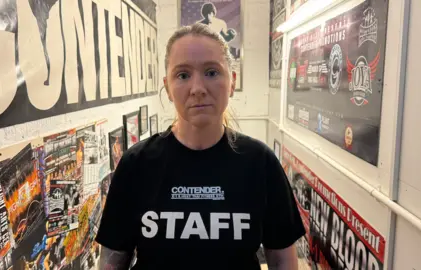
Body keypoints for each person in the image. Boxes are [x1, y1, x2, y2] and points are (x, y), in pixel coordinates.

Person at [95, 23, 305, 270]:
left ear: (232, 82)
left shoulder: (261, 163)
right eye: (183, 75)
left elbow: (283, 261)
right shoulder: (136, 164)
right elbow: (111, 262)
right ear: (168, 88)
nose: (198, 89)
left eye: (212, 72)